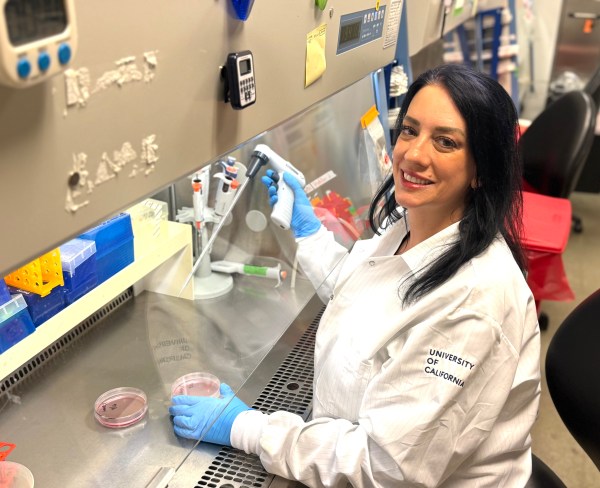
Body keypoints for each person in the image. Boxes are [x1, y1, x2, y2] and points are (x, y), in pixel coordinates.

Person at [169, 63, 541, 487]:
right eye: (409, 130)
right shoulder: (414, 220)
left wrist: (248, 429)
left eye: (445, 142)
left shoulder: (475, 303)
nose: (414, 154)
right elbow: (371, 293)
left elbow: (385, 467)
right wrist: (309, 233)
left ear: (481, 169)